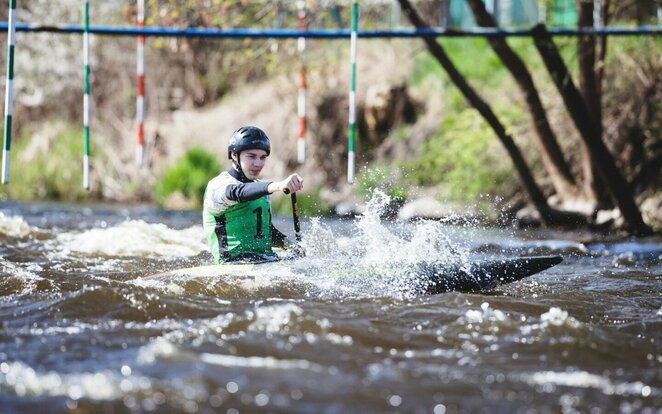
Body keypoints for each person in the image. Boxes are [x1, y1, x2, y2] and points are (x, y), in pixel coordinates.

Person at [203, 126, 304, 264]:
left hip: (266, 260)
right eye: (251, 156)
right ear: (234, 155)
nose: (258, 163)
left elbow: (264, 232)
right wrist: (278, 186)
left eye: (263, 157)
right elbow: (238, 192)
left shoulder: (262, 189)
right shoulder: (218, 185)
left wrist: (290, 245)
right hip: (232, 263)